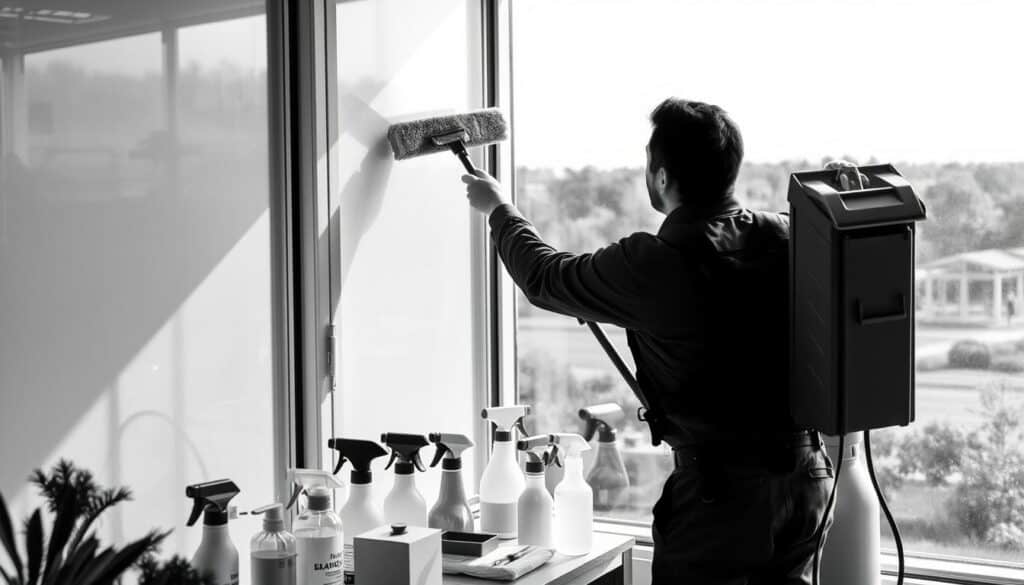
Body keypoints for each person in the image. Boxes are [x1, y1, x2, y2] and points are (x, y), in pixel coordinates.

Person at [463, 98, 835, 584]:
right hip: (806, 481)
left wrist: (499, 209)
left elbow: (545, 276)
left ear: (661, 177)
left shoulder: (653, 263)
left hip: (719, 502)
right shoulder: (791, 236)